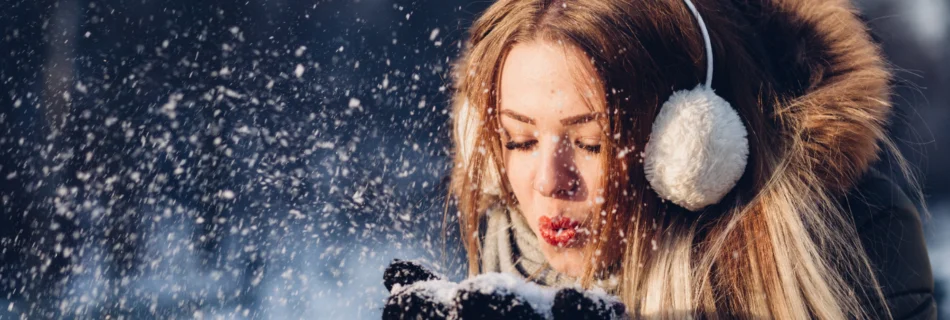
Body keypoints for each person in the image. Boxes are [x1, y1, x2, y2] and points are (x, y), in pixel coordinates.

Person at [385, 0, 936, 318]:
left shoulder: (852, 242)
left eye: (591, 142)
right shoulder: (507, 244)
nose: (550, 183)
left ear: (692, 145)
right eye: (519, 141)